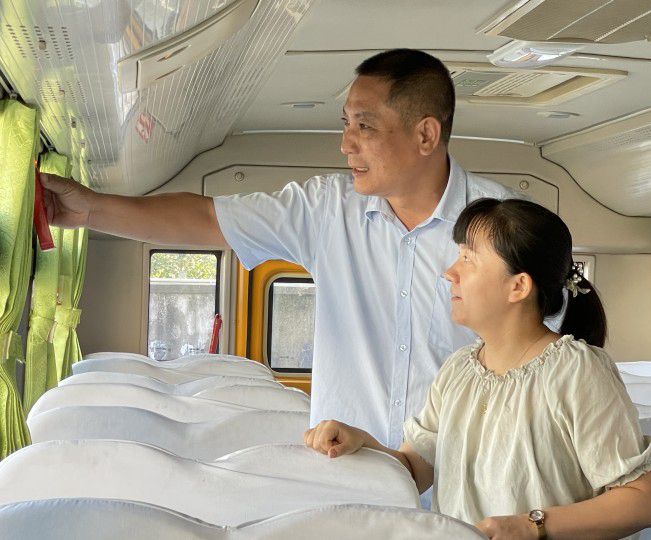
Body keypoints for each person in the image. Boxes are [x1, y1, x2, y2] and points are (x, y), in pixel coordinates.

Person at [40, 48, 519, 449]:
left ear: (425, 135)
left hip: (467, 491)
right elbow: (207, 218)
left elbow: (537, 359)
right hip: (348, 482)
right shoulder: (328, 210)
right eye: (346, 124)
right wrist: (90, 210)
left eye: (365, 127)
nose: (346, 144)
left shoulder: (509, 225)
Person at [304, 198, 651, 540]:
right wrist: (363, 444)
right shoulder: (459, 369)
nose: (450, 272)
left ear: (518, 286)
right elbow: (414, 469)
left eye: (468, 259)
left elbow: (641, 501)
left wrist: (531, 526)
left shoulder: (577, 371)